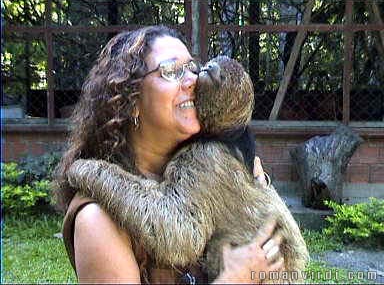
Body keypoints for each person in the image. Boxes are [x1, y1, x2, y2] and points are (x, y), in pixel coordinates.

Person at [54, 25, 283, 284]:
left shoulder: (213, 160)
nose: (193, 80)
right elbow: (177, 232)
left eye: (192, 68)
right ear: (131, 103)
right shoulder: (97, 219)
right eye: (172, 71)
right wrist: (234, 279)